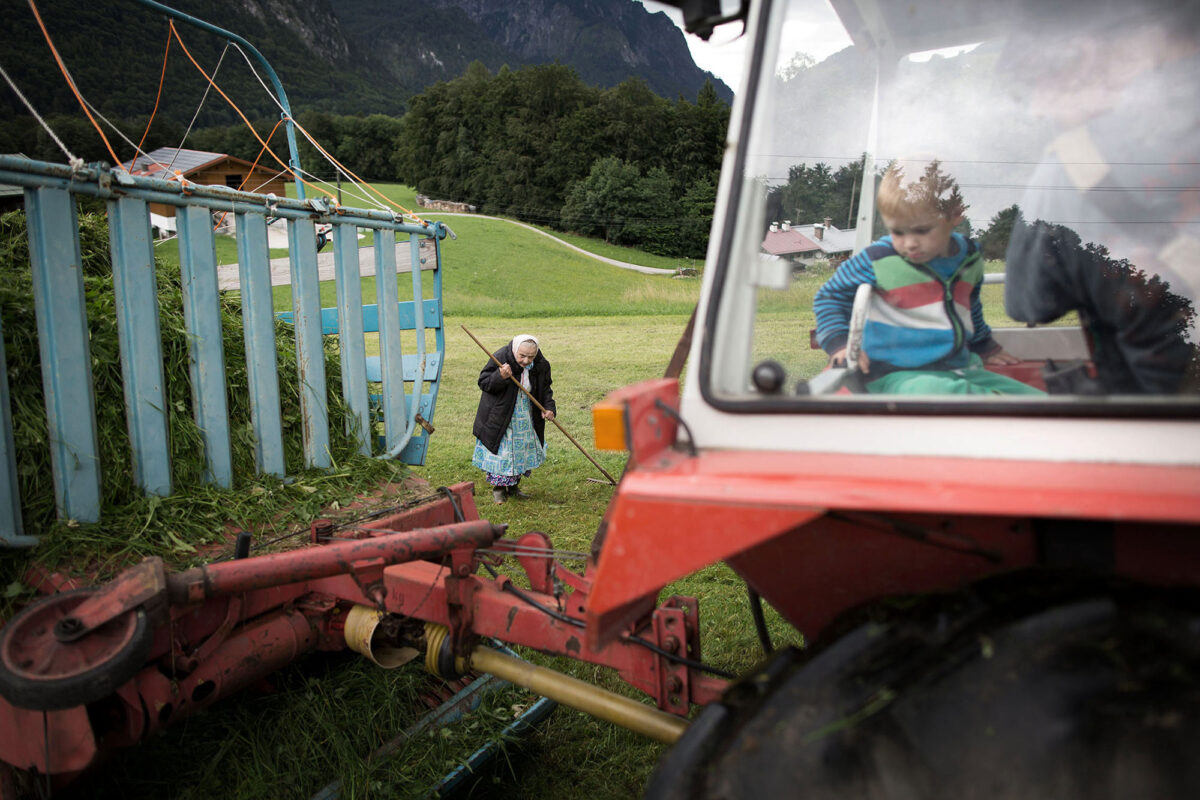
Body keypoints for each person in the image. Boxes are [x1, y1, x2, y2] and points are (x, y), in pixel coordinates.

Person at [813, 159, 1041, 395]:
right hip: (893, 375)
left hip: (960, 367)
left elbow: (967, 306)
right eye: (897, 232)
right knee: (939, 390)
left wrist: (983, 345)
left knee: (1036, 398)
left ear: (955, 215)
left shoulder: (970, 257)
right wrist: (840, 345)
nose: (909, 243)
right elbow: (828, 298)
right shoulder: (878, 258)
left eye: (922, 230)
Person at [471, 334, 556, 504]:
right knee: (503, 451)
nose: (526, 361)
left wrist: (549, 408)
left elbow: (545, 389)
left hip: (525, 413)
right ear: (515, 350)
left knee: (521, 449)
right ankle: (499, 490)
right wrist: (500, 376)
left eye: (530, 356)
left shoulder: (541, 364)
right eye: (522, 356)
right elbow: (484, 382)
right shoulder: (501, 357)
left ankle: (514, 487)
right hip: (500, 414)